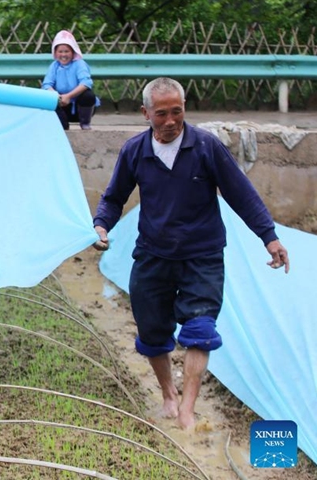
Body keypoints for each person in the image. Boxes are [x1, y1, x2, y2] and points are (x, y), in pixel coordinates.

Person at [92, 77, 290, 430]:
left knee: (200, 327)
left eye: (177, 112)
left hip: (202, 254)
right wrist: (101, 226)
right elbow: (113, 197)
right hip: (153, 255)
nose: (170, 121)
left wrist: (269, 237)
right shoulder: (134, 151)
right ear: (145, 114)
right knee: (153, 332)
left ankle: (187, 405)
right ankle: (168, 393)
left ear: (185, 109)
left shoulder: (206, 147)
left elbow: (242, 194)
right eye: (161, 114)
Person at [42, 30, 99, 131]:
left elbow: (86, 83)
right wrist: (57, 96)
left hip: (78, 107)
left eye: (67, 51)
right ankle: (63, 125)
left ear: (73, 52)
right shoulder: (54, 66)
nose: (63, 55)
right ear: (55, 52)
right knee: (45, 96)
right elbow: (46, 84)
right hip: (61, 105)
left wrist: (68, 96)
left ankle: (85, 123)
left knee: (88, 95)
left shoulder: (80, 64)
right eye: (60, 51)